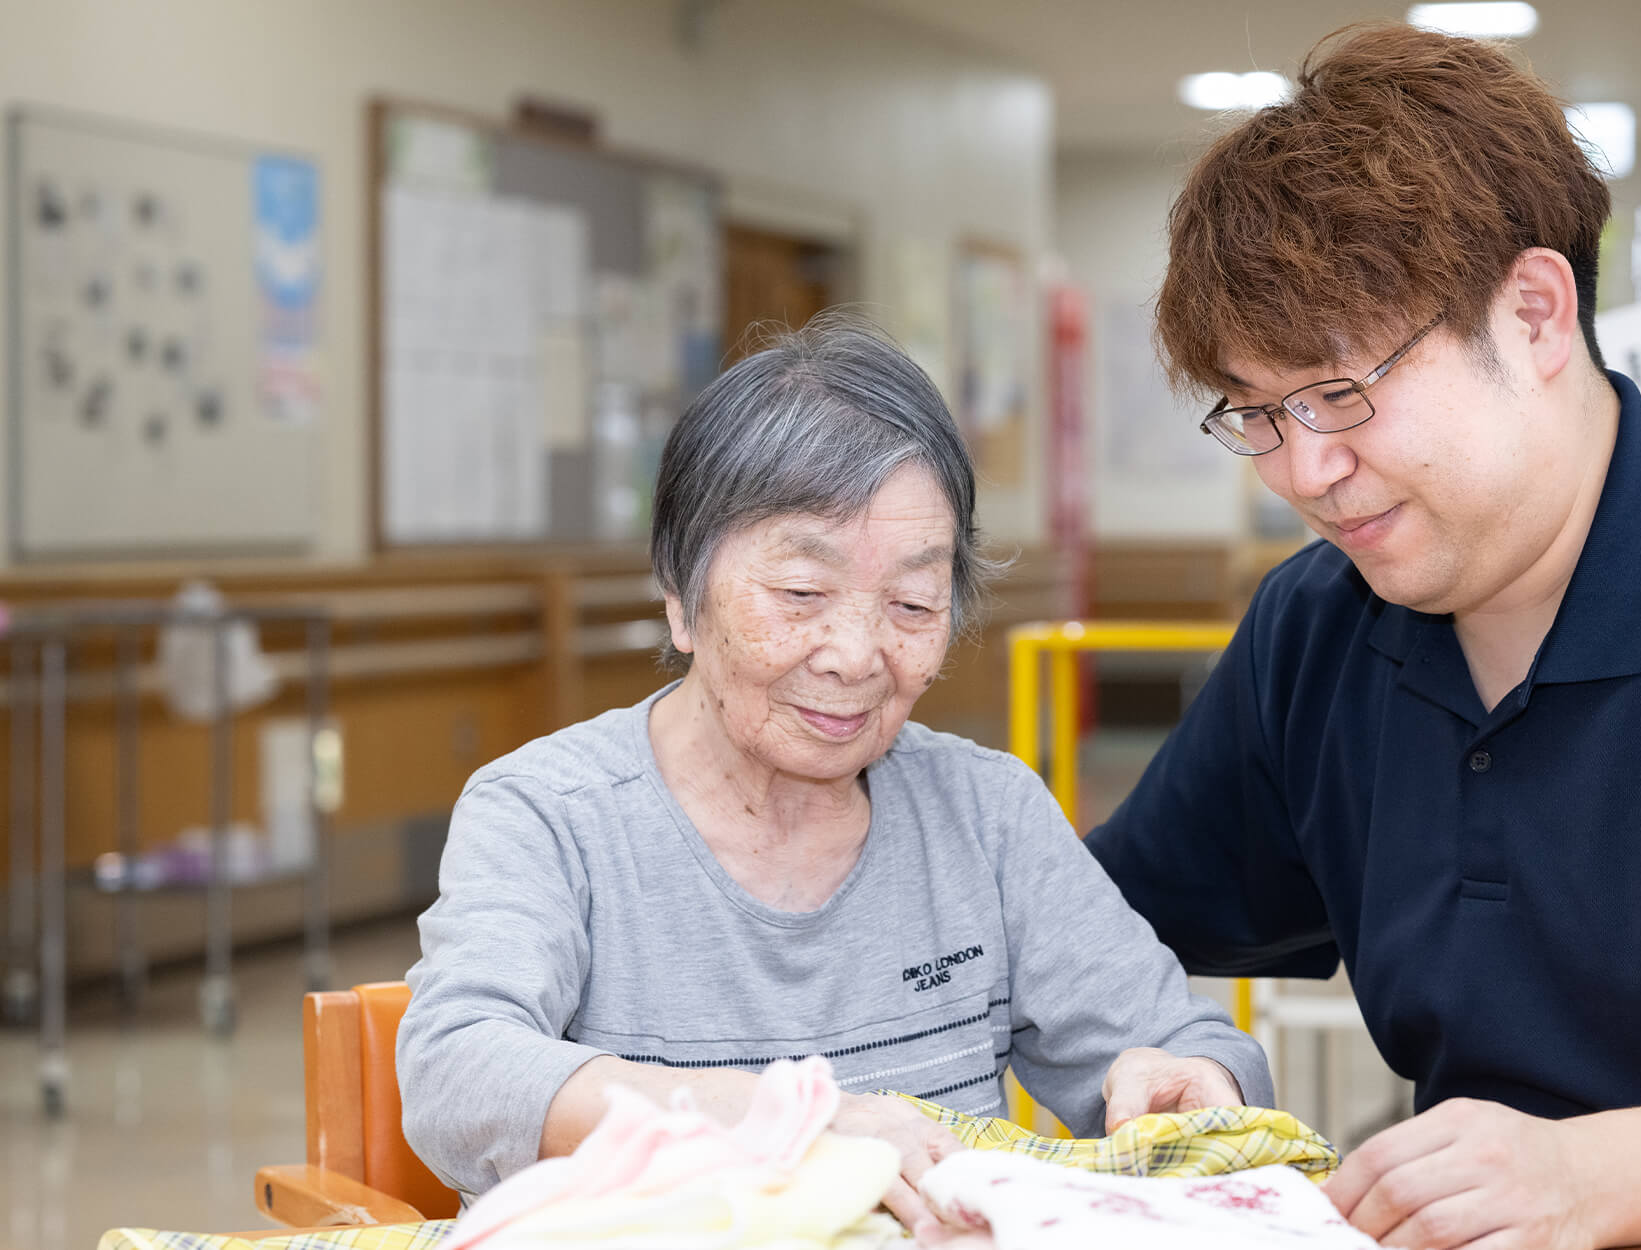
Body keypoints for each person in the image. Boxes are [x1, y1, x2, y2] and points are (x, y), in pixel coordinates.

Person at [1086, 21, 1641, 1250]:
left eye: (1344, 393)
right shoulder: (1318, 628)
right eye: (1259, 411)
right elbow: (1109, 909)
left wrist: (1576, 1174)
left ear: (1531, 312)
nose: (1305, 468)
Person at [398, 316, 1271, 1229]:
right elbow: (461, 1070)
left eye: (912, 602)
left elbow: (1186, 1044)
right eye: (802, 595)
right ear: (679, 595)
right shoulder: (549, 813)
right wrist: (791, 1129)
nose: (857, 656)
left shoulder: (986, 813)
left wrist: (1184, 1082)